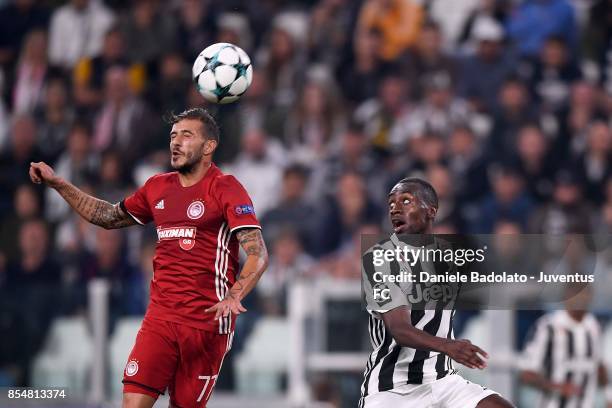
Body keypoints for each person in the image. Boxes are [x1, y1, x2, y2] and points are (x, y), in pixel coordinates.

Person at [29, 107, 269, 408]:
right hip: (161, 318)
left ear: (209, 147)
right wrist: (58, 183)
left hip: (206, 325)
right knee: (132, 402)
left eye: (186, 135)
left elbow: (258, 252)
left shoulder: (226, 188)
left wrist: (235, 295)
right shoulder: (157, 187)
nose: (176, 142)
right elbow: (107, 216)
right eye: (172, 136)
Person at [359, 178, 514, 407]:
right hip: (392, 389)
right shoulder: (380, 258)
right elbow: (399, 330)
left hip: (443, 382)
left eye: (405, 201)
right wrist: (449, 346)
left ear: (431, 211)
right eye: (391, 204)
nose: (395, 209)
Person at [519, 283, 612, 408]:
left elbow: (600, 367)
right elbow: (527, 375)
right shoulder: (548, 327)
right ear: (565, 296)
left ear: (591, 297)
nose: (580, 299)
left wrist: (608, 396)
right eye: (575, 293)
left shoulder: (593, 326)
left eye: (584, 293)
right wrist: (556, 387)